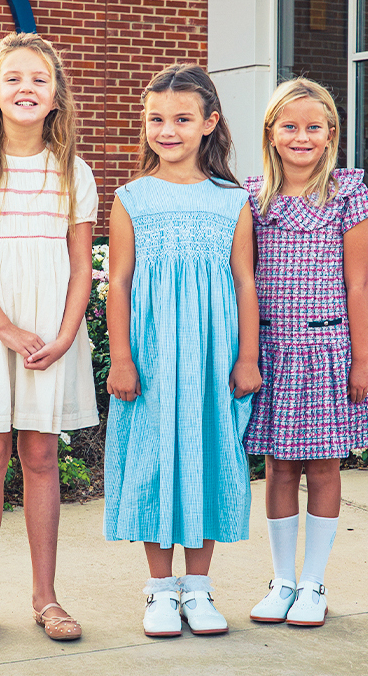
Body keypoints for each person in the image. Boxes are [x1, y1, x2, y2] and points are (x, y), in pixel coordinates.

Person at [0, 32, 98, 643]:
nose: (26, 88)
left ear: (56, 97)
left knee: (41, 456)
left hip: (52, 332)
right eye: (13, 78)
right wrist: (4, 328)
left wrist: (65, 334)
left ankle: (45, 597)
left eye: (39, 79)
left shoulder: (74, 171)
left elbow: (81, 267)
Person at [104, 64, 261, 638]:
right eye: (156, 119)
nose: (167, 130)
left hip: (213, 355)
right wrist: (122, 358)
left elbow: (244, 281)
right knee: (153, 459)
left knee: (208, 454)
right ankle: (159, 589)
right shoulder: (131, 198)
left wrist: (248, 357)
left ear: (209, 123)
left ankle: (197, 587)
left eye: (181, 119)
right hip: (150, 356)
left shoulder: (232, 200)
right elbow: (119, 282)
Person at [241, 77, 368, 627]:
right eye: (290, 126)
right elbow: (244, 280)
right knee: (278, 466)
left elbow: (357, 284)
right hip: (272, 348)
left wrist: (363, 360)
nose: (302, 137)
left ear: (330, 134)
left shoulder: (348, 194)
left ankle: (314, 581)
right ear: (271, 133)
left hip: (327, 347)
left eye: (314, 127)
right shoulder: (252, 197)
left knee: (323, 466)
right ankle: (283, 581)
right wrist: (245, 354)